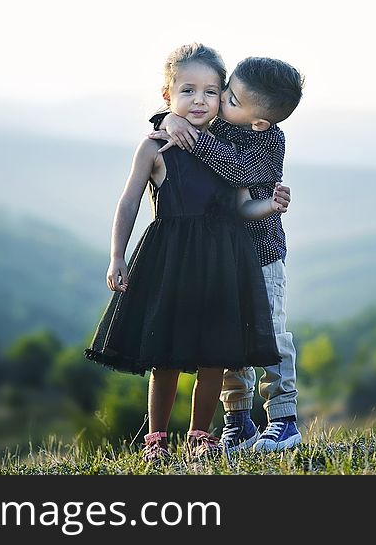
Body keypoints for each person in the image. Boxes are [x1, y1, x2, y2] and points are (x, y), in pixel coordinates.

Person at [84, 43, 288, 463]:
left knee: (216, 354)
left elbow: (241, 205)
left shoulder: (223, 147)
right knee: (165, 354)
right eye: (188, 91)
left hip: (221, 266)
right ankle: (156, 440)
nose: (200, 100)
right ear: (167, 95)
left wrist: (269, 206)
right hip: (171, 264)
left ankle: (202, 437)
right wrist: (117, 256)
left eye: (212, 92)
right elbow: (129, 203)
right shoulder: (156, 145)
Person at [149, 55, 304, 453]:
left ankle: (283, 419)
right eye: (225, 91)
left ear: (259, 120)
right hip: (219, 257)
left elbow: (236, 173)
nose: (217, 103)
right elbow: (184, 110)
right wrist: (168, 119)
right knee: (227, 340)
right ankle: (239, 420)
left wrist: (193, 135)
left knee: (269, 333)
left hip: (261, 253)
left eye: (228, 98)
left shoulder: (268, 141)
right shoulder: (221, 120)